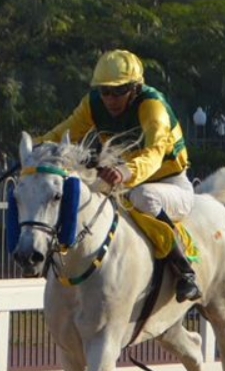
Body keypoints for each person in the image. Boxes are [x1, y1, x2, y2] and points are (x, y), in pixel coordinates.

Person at [37, 49, 201, 302]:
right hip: (123, 181)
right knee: (81, 189)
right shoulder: (93, 104)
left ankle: (184, 271)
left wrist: (125, 172)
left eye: (118, 91)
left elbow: (154, 153)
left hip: (168, 184)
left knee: (143, 195)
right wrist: (34, 149)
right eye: (105, 91)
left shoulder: (153, 107)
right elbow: (62, 133)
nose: (110, 99)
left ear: (135, 89)